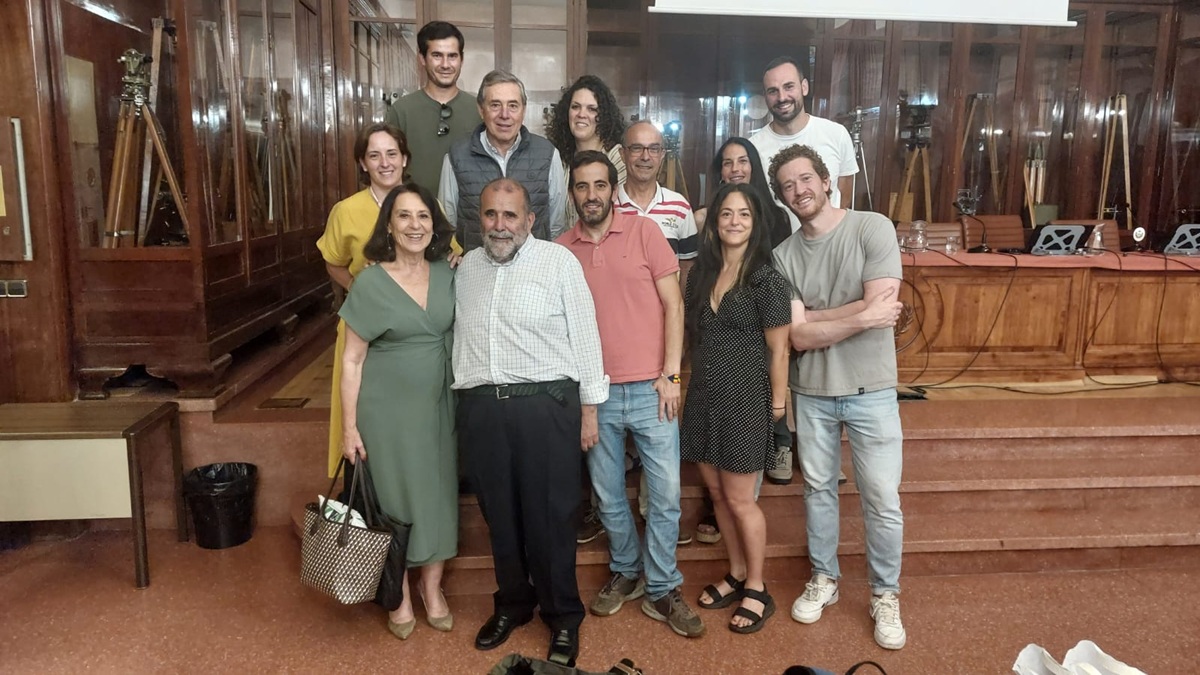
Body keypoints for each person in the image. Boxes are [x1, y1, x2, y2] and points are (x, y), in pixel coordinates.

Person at [454, 178, 608, 667]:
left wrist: (589, 409)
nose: (500, 225)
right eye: (491, 215)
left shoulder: (558, 262)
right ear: (480, 219)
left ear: (530, 220)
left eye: (510, 216)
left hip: (545, 407)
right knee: (501, 516)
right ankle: (514, 604)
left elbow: (586, 335)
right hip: (483, 409)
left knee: (550, 517)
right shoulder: (467, 269)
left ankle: (563, 616)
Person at [556, 151, 704, 639]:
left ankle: (662, 586)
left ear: (612, 189)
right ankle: (626, 569)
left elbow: (674, 305)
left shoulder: (645, 233)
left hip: (651, 388)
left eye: (600, 185)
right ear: (572, 192)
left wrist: (671, 375)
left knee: (662, 497)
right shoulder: (560, 249)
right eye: (582, 186)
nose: (592, 195)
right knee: (607, 495)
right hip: (593, 393)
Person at [768, 144, 907, 650]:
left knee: (882, 499)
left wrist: (818, 317)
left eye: (806, 178)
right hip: (813, 391)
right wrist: (860, 317)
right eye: (788, 185)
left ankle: (885, 594)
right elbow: (797, 338)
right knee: (818, 492)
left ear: (826, 180)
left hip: (872, 389)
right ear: (781, 196)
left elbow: (881, 306)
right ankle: (824, 579)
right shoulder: (782, 256)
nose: (799, 190)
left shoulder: (872, 227)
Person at [338, 182, 457, 640]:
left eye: (423, 216)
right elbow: (351, 359)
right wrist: (349, 427)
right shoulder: (370, 281)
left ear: (434, 224)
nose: (415, 225)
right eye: (404, 216)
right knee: (395, 501)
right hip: (386, 414)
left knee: (437, 497)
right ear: (388, 224)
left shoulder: (449, 271)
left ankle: (433, 590)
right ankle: (400, 595)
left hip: (441, 406)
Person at [682, 183, 791, 634]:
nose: (733, 221)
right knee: (720, 497)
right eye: (726, 213)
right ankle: (737, 572)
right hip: (704, 397)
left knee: (743, 500)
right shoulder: (701, 275)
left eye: (743, 214)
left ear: (756, 221)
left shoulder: (767, 278)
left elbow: (780, 348)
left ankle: (758, 588)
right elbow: (692, 339)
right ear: (713, 220)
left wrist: (779, 403)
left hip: (747, 397)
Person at [317, 123, 410, 480]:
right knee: (359, 412)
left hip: (409, 328)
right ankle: (362, 489)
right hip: (363, 327)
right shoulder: (347, 210)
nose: (385, 163)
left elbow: (447, 252)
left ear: (404, 158)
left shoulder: (420, 202)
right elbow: (333, 261)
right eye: (374, 155)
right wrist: (360, 287)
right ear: (362, 163)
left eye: (391, 153)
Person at [439, 70, 568, 252]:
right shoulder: (456, 157)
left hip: (532, 271)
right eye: (495, 105)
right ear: (481, 110)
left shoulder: (548, 154)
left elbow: (556, 225)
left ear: (523, 110)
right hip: (476, 271)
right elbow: (447, 222)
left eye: (513, 106)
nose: (504, 115)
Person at [750, 56, 858, 229]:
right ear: (766, 97)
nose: (782, 97)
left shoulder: (836, 134)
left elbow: (845, 191)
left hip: (830, 247)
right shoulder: (753, 148)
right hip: (778, 251)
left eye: (789, 86)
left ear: (804, 87)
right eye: (773, 91)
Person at [384, 21, 482, 191]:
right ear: (422, 58)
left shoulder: (479, 110)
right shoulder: (401, 110)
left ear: (461, 59)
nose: (445, 64)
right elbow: (386, 167)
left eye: (452, 56)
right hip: (413, 212)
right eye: (437, 55)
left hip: (467, 214)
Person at [547, 75, 628, 221]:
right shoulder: (557, 158)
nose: (581, 114)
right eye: (575, 107)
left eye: (591, 109)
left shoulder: (618, 157)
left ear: (604, 116)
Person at [616, 121, 698, 260]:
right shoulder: (608, 206)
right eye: (637, 148)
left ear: (662, 154)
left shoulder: (679, 207)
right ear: (623, 154)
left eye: (654, 149)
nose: (645, 157)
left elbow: (687, 267)